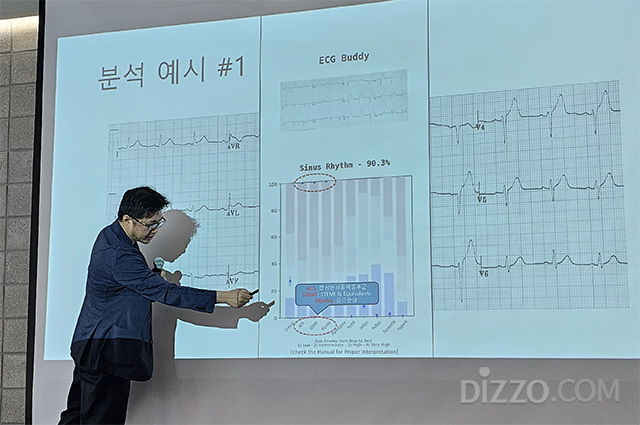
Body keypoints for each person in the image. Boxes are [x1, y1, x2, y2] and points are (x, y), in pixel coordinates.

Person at [58, 187, 253, 424]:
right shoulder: (119, 253)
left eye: (159, 223)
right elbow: (165, 292)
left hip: (93, 346)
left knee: (75, 417)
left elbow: (120, 288)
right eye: (150, 224)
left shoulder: (111, 236)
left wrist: (148, 278)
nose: (155, 230)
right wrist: (224, 297)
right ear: (127, 219)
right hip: (106, 350)